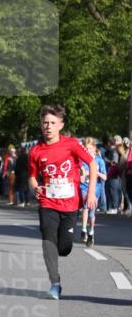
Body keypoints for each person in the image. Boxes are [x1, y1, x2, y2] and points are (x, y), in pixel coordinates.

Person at [29, 105, 97, 300]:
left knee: (64, 248)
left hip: (70, 204)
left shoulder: (72, 144)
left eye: (52, 123)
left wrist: (90, 193)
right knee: (48, 241)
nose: (48, 127)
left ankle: (60, 253)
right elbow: (32, 177)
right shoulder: (35, 151)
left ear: (61, 125)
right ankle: (55, 284)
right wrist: (35, 187)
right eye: (45, 123)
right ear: (40, 125)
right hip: (47, 202)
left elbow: (91, 164)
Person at [79, 138, 107, 247]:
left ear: (94, 149)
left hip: (96, 188)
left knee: (92, 212)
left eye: (90, 148)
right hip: (85, 187)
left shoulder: (100, 161)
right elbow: (80, 177)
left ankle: (91, 232)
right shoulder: (82, 161)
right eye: (86, 148)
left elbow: (105, 177)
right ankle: (83, 230)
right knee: (85, 206)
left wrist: (95, 172)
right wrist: (83, 175)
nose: (88, 150)